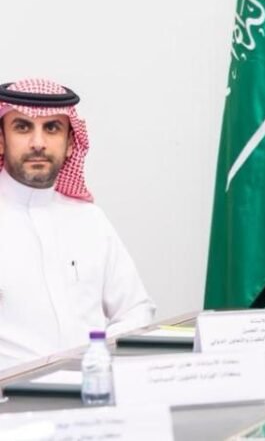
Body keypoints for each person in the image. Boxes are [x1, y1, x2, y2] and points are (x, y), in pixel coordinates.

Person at [0, 79, 154, 370]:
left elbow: (136, 310)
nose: (38, 143)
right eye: (22, 127)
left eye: (52, 128)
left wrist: (96, 359)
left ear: (71, 143)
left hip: (90, 397)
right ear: (1, 139)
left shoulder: (90, 220)